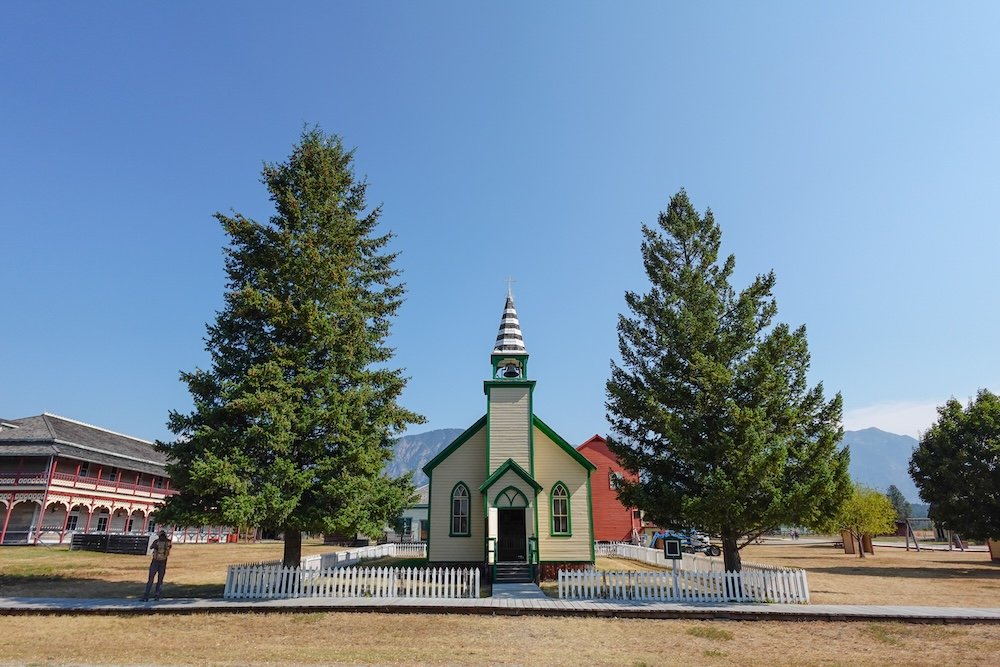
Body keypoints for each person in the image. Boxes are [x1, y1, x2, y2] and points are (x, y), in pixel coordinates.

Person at [142, 531, 172, 601]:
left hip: (156, 562)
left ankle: (148, 596)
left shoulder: (158, 542)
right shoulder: (167, 542)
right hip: (162, 562)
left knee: (152, 579)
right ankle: (155, 595)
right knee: (158, 580)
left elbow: (151, 547)